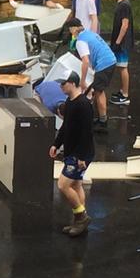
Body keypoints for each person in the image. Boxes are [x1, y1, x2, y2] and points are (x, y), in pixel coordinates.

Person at [48, 72, 95, 237]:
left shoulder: (83, 105)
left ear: (73, 83)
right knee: (76, 185)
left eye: (63, 83)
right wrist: (56, 144)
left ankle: (81, 216)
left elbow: (86, 132)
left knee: (63, 185)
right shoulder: (70, 102)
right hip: (72, 152)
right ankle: (79, 221)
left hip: (79, 154)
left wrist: (81, 157)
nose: (61, 87)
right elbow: (65, 127)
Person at [66, 18, 116, 132]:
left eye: (70, 30)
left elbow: (86, 61)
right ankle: (100, 118)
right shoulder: (89, 33)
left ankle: (103, 122)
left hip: (104, 63)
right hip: (110, 59)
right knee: (97, 90)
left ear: (73, 29)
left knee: (99, 92)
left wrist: (82, 81)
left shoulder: (80, 41)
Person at [108, 0, 134, 106]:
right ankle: (123, 90)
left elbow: (125, 25)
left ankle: (125, 95)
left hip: (122, 42)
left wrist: (118, 42)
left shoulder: (124, 5)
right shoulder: (121, 3)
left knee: (123, 67)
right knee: (120, 67)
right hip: (119, 40)